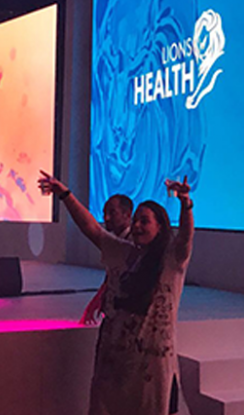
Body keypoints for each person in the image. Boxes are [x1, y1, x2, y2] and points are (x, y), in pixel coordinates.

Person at [38, 171, 194, 415]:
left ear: (160, 227)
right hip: (115, 358)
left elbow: (185, 238)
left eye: (145, 221)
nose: (137, 226)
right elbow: (92, 229)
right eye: (136, 221)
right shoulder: (124, 252)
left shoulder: (171, 261)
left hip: (150, 367)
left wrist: (185, 205)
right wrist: (65, 195)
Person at [80, 194, 133, 326]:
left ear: (127, 214)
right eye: (104, 213)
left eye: (112, 213)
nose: (106, 218)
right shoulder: (118, 241)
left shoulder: (131, 243)